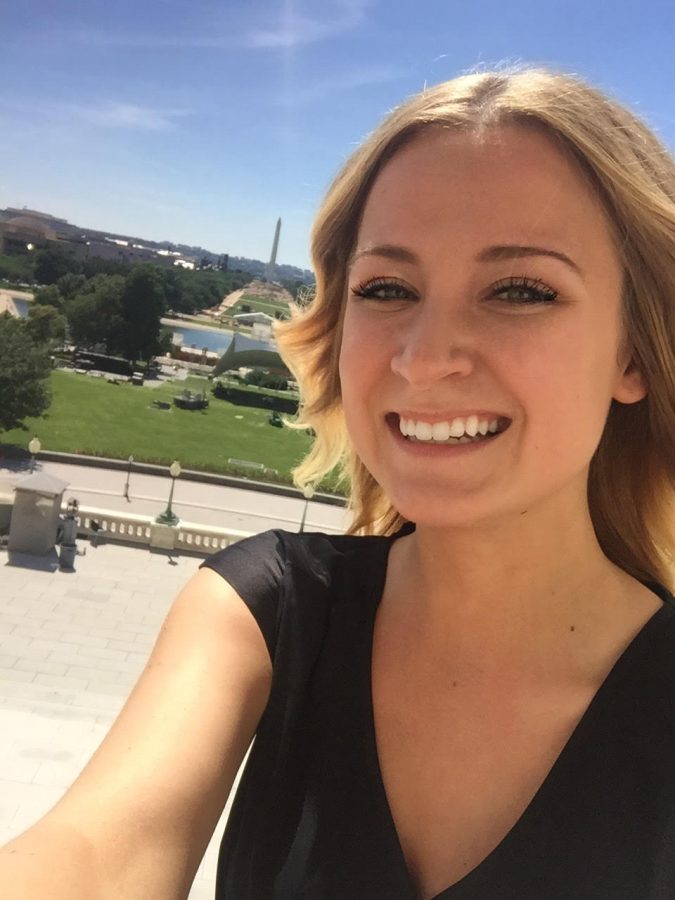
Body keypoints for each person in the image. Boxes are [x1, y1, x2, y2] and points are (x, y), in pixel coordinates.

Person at [1, 67, 674, 899]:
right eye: (386, 288)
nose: (423, 359)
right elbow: (98, 855)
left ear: (634, 352)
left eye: (520, 290)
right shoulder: (263, 611)